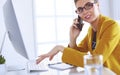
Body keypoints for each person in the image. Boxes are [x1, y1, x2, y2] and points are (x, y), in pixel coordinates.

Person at [36, 0, 120, 74]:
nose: (84, 11)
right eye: (80, 9)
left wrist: (60, 48)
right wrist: (72, 39)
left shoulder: (111, 26)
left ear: (97, 4)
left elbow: (95, 61)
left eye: (88, 5)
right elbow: (75, 59)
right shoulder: (91, 30)